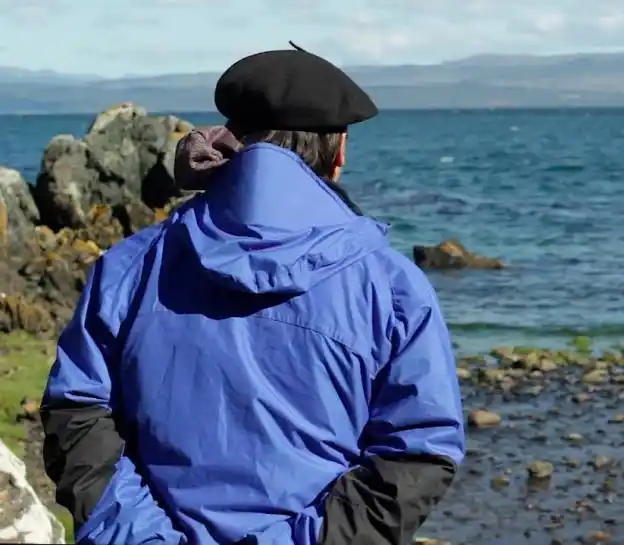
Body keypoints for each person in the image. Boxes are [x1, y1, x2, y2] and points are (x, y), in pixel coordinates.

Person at [40, 44, 466, 545]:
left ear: (229, 142)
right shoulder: (394, 286)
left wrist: (141, 536)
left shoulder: (130, 266)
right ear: (340, 152)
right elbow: (420, 451)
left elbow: (77, 413)